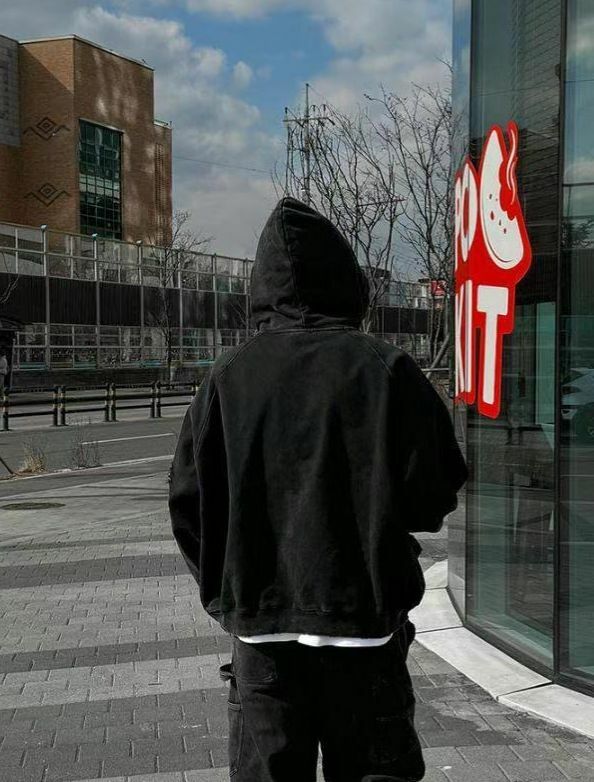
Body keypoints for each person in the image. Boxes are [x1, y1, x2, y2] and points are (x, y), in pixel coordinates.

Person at [169, 197, 467, 782]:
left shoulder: (229, 377)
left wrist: (233, 590)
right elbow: (435, 492)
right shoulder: (386, 370)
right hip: (364, 627)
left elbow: (188, 504)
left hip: (262, 632)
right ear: (346, 281)